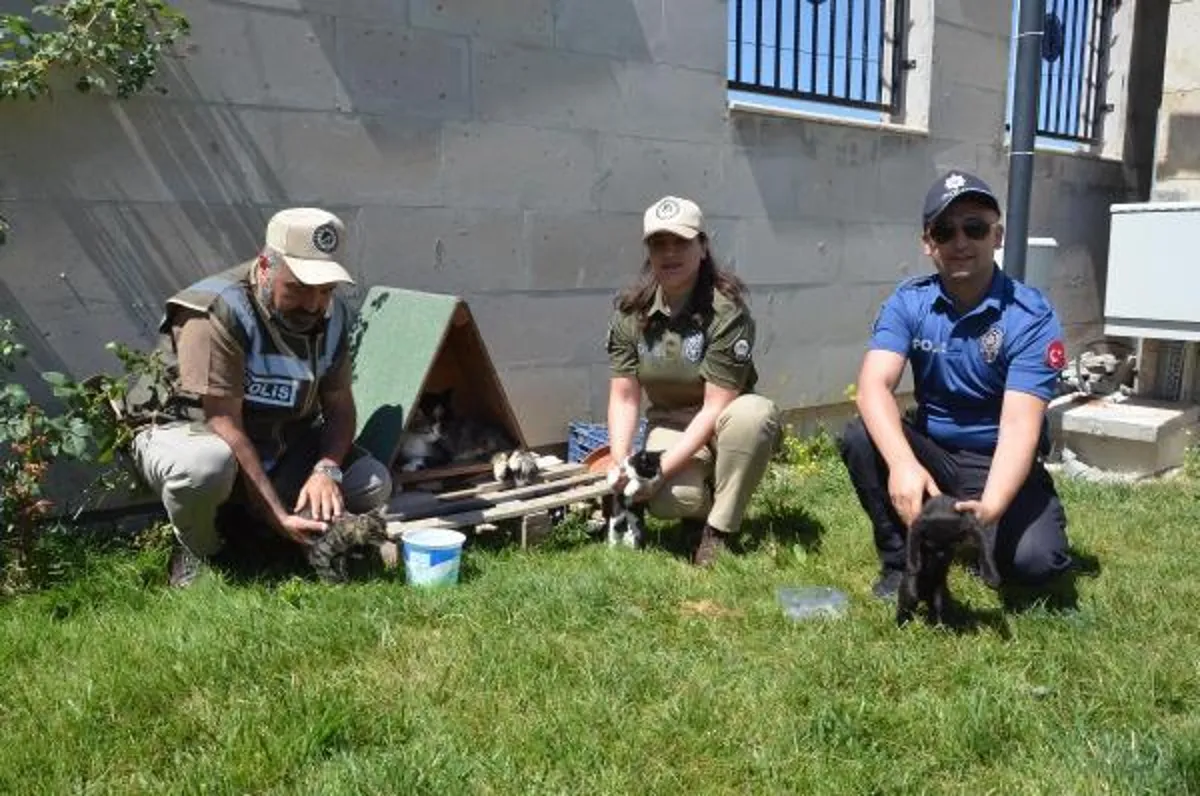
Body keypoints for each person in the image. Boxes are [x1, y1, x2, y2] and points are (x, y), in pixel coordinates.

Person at [128, 208, 393, 587]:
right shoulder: (216, 310)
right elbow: (223, 422)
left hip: (278, 441)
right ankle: (200, 549)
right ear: (266, 265)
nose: (314, 304)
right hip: (194, 434)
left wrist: (326, 469)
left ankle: (286, 538)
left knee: (371, 481)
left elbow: (340, 406)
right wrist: (275, 512)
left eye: (325, 290)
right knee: (204, 467)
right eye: (299, 288)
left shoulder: (334, 317)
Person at [838, 171, 1072, 600]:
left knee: (1036, 564)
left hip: (996, 459)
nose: (960, 241)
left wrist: (994, 506)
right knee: (859, 435)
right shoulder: (910, 302)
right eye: (945, 231)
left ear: (997, 235)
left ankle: (985, 527)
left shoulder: (1030, 316)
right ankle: (900, 563)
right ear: (929, 244)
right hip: (936, 453)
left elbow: (1020, 427)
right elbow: (873, 385)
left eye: (975, 228)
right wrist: (904, 464)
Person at [604, 196, 780, 566]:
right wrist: (623, 466)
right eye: (658, 243)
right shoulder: (631, 313)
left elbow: (717, 405)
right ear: (648, 251)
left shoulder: (726, 311)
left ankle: (719, 531)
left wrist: (659, 468)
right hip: (672, 420)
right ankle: (700, 510)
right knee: (670, 501)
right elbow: (624, 397)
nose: (669, 253)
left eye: (681, 242)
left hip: (726, 422)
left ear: (702, 247)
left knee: (754, 415)